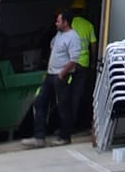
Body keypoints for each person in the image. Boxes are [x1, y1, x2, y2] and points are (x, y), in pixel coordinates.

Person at [24, 14, 85, 143]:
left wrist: (62, 73)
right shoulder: (59, 35)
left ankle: (65, 136)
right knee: (40, 102)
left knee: (63, 106)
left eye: (58, 21)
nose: (56, 23)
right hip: (51, 74)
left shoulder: (73, 37)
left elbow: (74, 59)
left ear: (65, 22)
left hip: (60, 76)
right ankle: (39, 136)